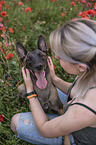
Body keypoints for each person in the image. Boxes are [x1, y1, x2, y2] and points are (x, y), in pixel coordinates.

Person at [11, 18, 96, 145]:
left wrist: (30, 92)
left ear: (81, 66)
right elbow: (77, 91)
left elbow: (45, 129)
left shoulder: (85, 109)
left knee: (15, 121)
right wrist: (55, 79)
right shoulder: (89, 71)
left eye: (61, 55)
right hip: (76, 116)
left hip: (78, 137)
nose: (55, 57)